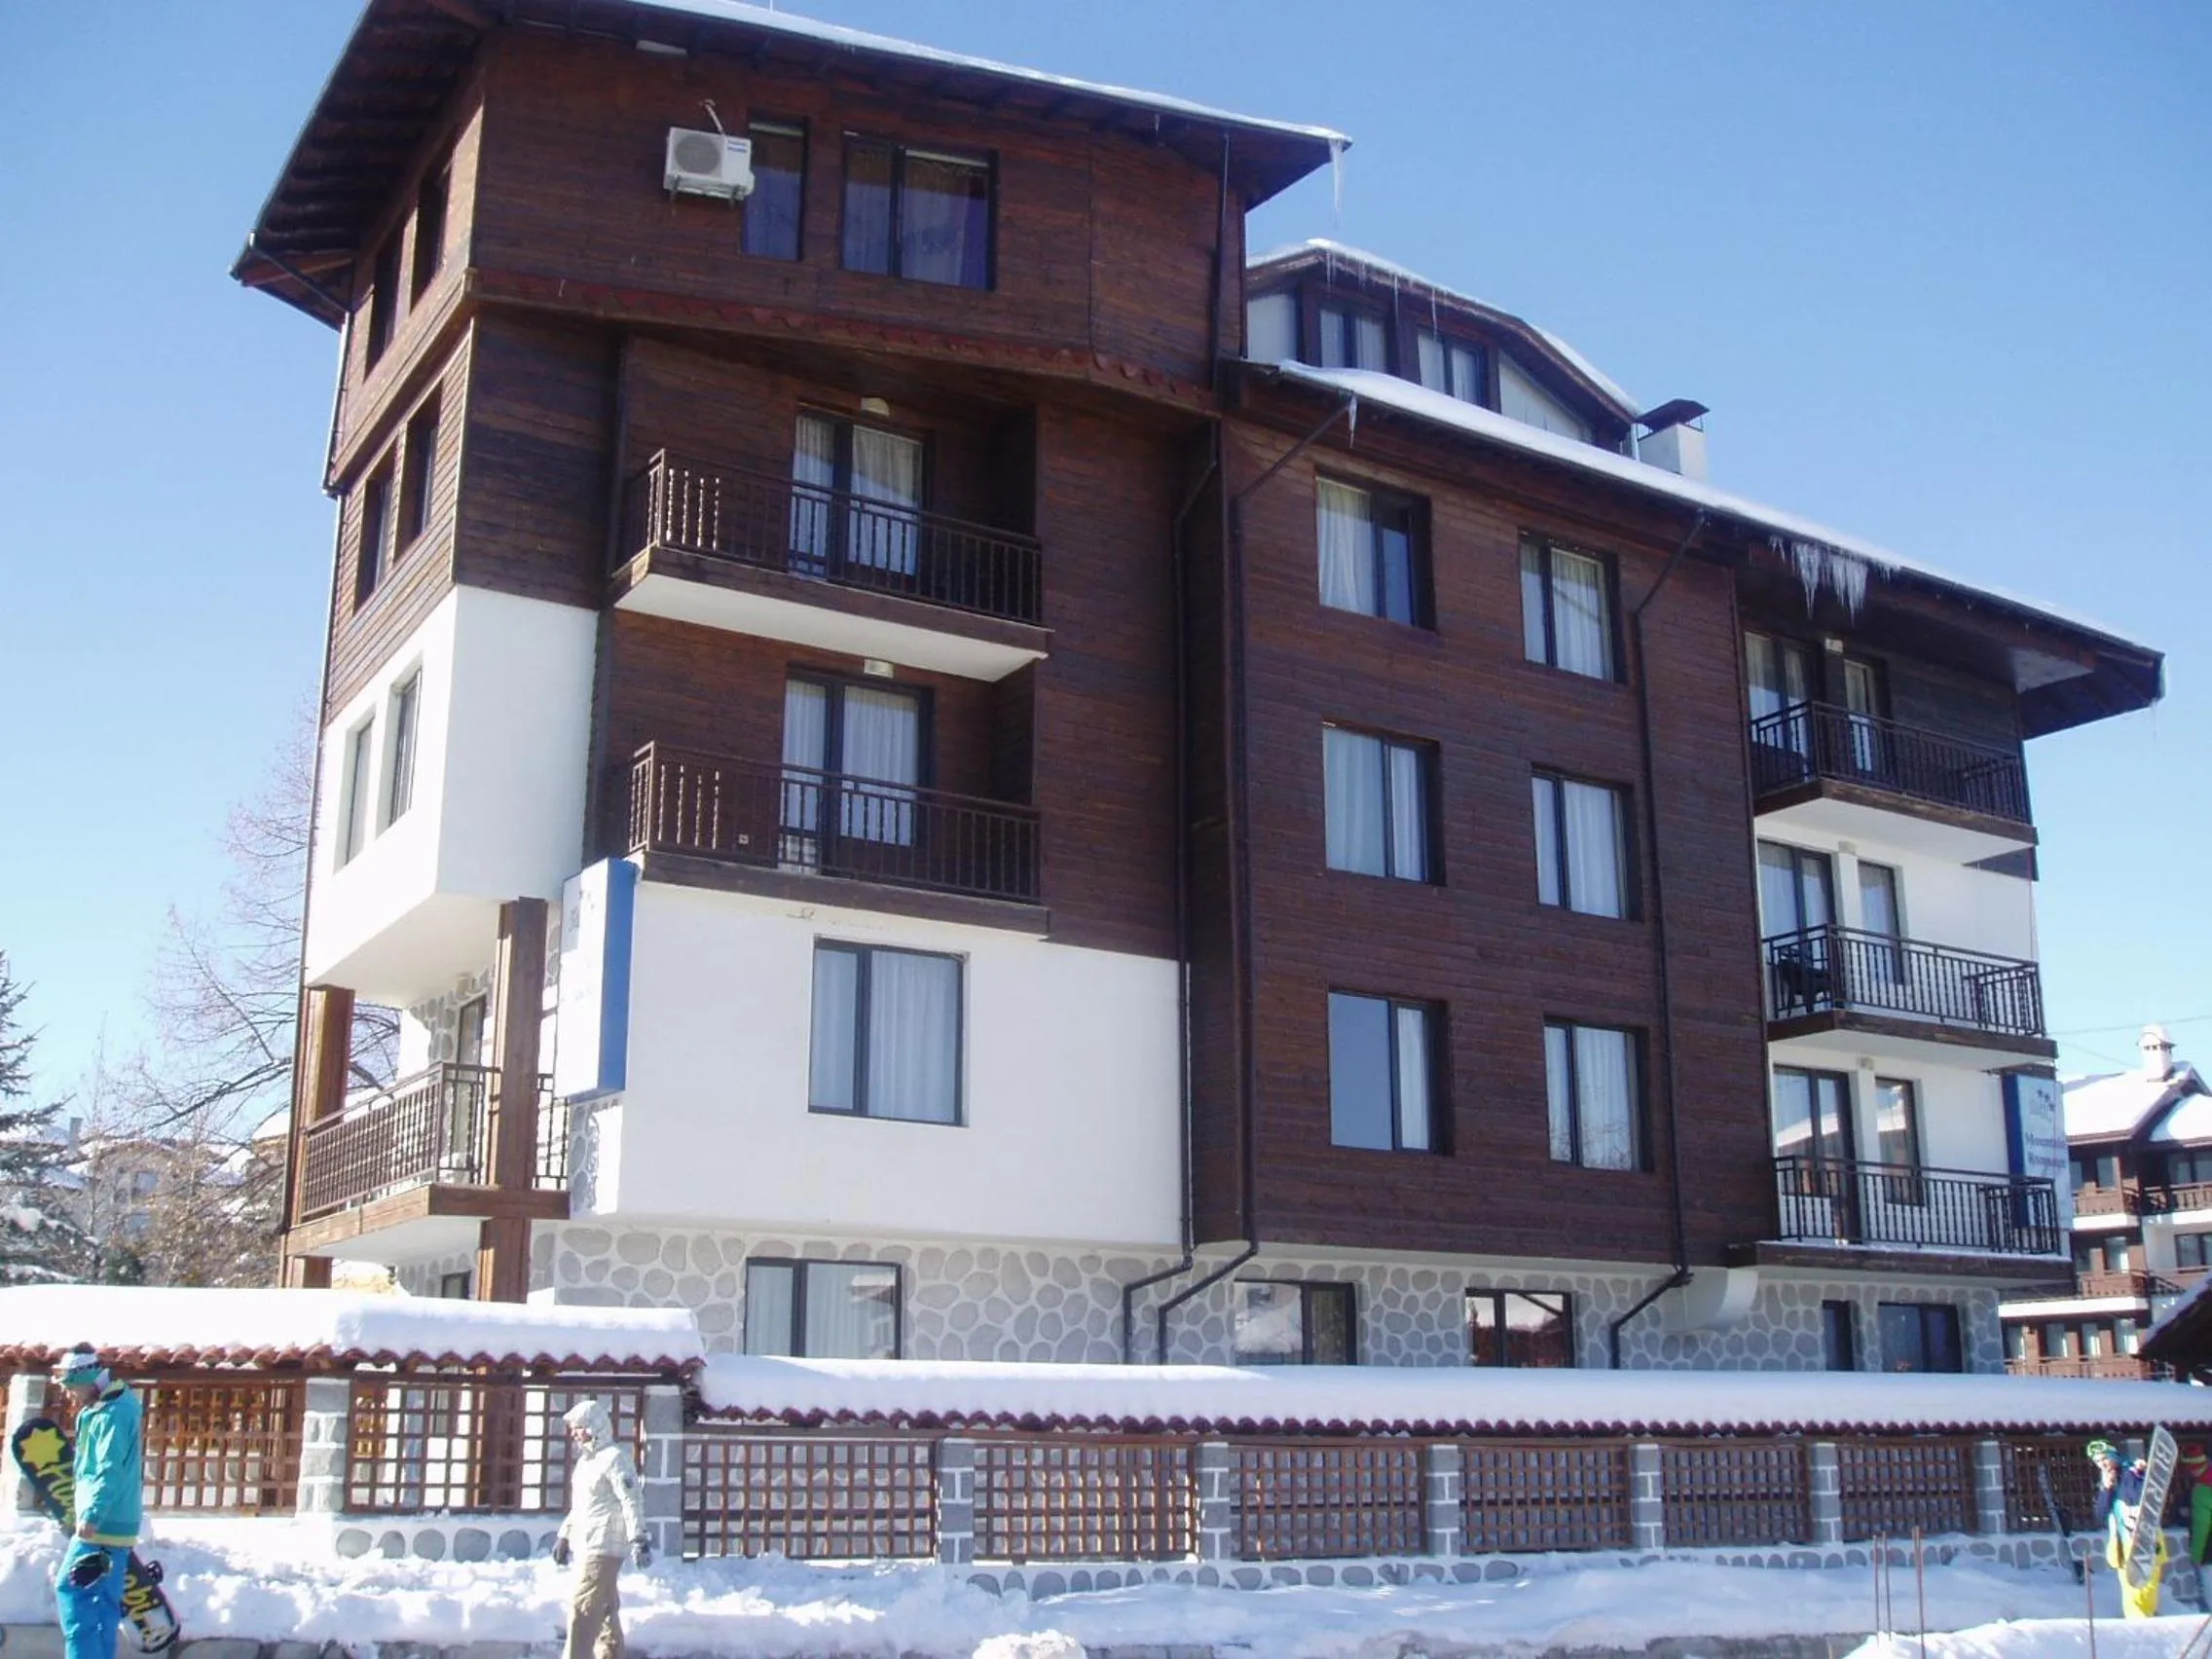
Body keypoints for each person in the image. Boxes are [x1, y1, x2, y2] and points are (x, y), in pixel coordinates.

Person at [50, 1344, 144, 1659]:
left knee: (72, 1592)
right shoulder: (111, 1407)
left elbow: (108, 1470)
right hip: (118, 1522)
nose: (69, 1394)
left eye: (71, 1386)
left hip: (101, 1525)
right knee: (103, 1604)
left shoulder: (110, 1415)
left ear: (86, 1379)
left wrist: (91, 1514)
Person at [552, 1398, 650, 1659]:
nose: (574, 1433)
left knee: (583, 1607)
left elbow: (631, 1499)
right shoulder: (586, 1463)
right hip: (586, 1542)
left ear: (593, 1426)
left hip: (604, 1544)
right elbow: (582, 1505)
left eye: (578, 1427)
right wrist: (564, 1535)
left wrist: (638, 1538)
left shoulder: (615, 1459)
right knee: (605, 1609)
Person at [2089, 1436, 2164, 1618]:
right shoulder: (2107, 1481)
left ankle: (2145, 1622)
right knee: (2130, 1593)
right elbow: (2100, 1514)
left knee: (2144, 1591)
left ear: (2113, 1455)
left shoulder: (2131, 1473)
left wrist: (2139, 1474)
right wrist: (2106, 1489)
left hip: (2143, 1539)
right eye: (2097, 1461)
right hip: (2122, 1545)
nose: (2102, 1464)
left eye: (2104, 1458)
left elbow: (2139, 1498)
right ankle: (2137, 1624)